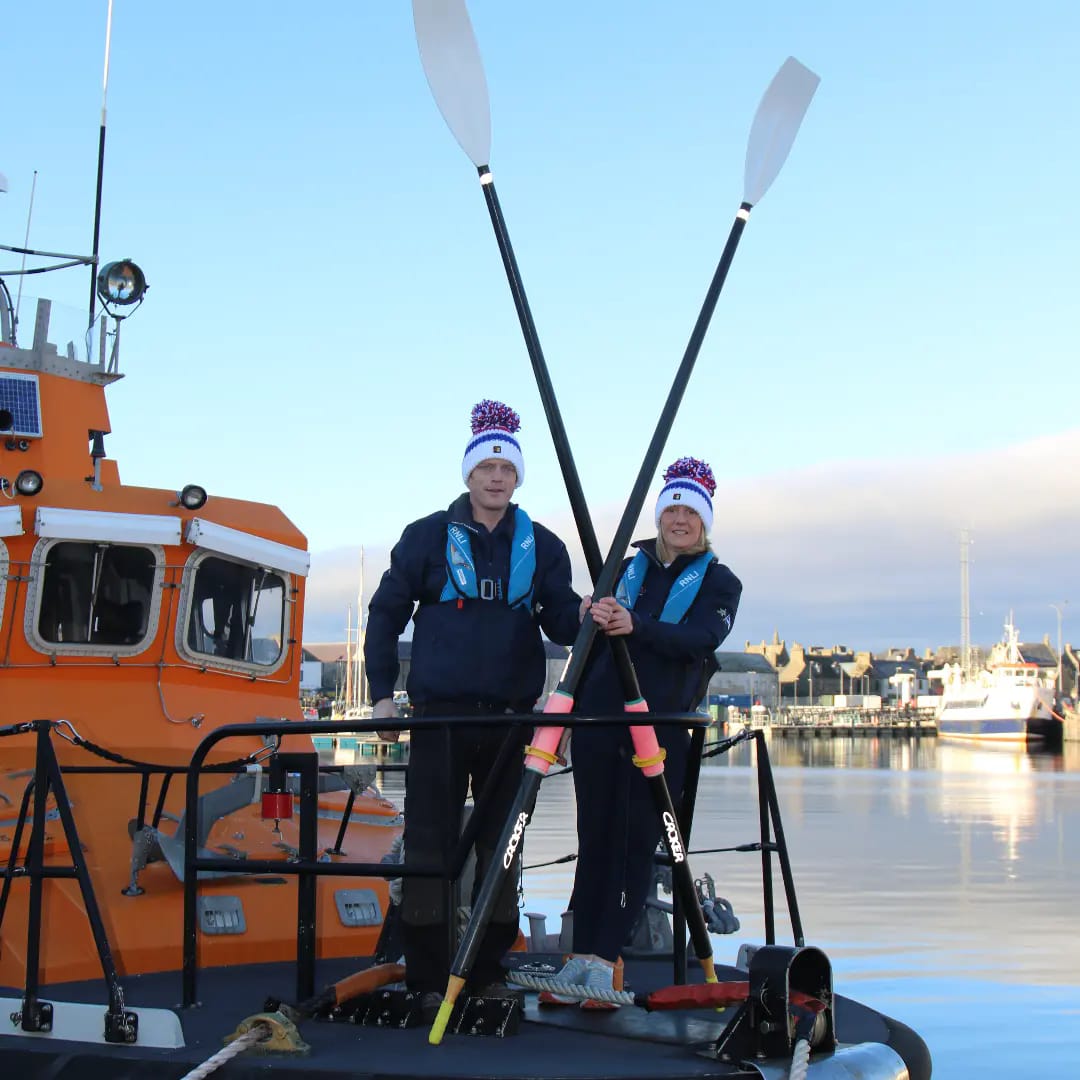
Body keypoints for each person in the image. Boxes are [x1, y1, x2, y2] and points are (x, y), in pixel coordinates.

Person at [364, 399, 586, 1013]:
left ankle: (486, 970)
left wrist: (591, 612)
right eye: (486, 467)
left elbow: (563, 621)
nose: (496, 478)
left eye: (506, 470)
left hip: (513, 722)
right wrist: (383, 697)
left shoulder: (541, 546)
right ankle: (429, 973)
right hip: (440, 718)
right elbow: (385, 618)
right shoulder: (426, 537)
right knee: (430, 845)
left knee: (501, 847)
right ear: (468, 473)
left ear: (517, 478)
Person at [541, 456, 742, 1009]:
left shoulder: (722, 584)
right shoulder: (624, 568)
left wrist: (639, 625)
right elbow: (582, 634)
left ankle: (608, 962)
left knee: (633, 844)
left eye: (690, 511)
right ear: (660, 515)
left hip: (658, 730)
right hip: (600, 722)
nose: (679, 519)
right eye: (671, 508)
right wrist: (588, 611)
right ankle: (579, 956)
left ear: (704, 521)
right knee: (594, 839)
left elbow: (698, 639)